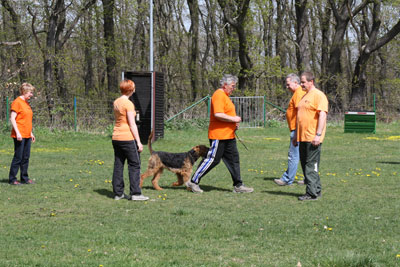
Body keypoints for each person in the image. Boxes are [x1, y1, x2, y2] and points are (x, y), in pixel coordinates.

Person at [186, 74, 254, 193]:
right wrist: (234, 119)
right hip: (219, 135)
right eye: (232, 86)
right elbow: (218, 114)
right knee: (213, 159)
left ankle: (238, 185)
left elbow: (226, 114)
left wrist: (233, 124)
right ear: (225, 85)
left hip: (229, 135)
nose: (234, 88)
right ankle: (193, 182)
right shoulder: (218, 95)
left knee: (233, 159)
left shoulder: (226, 96)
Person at [111, 79, 149, 201]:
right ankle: (136, 193)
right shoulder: (129, 104)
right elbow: (132, 124)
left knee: (119, 164)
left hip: (116, 137)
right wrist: (138, 142)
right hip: (127, 137)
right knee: (135, 164)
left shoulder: (116, 102)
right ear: (131, 90)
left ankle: (118, 193)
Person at [293, 71, 328, 201]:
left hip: (313, 137)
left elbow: (322, 115)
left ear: (311, 82)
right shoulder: (304, 96)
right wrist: (296, 135)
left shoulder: (319, 95)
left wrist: (318, 135)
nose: (301, 85)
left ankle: (311, 193)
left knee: (310, 165)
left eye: (303, 82)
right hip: (302, 137)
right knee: (305, 165)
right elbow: (299, 118)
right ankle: (316, 190)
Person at [274, 73, 305, 186]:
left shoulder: (298, 93)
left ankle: (287, 179)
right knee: (303, 155)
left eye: (288, 84)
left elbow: (300, 112)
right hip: (300, 129)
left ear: (295, 82)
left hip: (297, 130)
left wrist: (296, 131)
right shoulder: (299, 93)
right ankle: (308, 178)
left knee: (293, 155)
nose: (286, 87)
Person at [9, 83, 36, 185]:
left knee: (26, 157)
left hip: (27, 134)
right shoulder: (17, 102)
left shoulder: (26, 103)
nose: (31, 95)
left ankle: (24, 178)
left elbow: (26, 120)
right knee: (18, 157)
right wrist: (18, 132)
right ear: (24, 91)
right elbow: (12, 118)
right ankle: (12, 179)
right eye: (30, 92)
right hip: (19, 135)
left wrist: (31, 133)